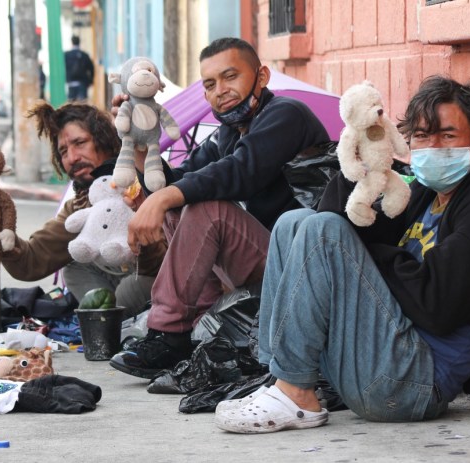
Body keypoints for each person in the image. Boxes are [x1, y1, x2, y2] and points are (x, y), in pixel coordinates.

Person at [213, 76, 470, 433]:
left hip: (412, 383)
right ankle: (281, 378)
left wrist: (361, 253)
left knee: (324, 234)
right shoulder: (426, 194)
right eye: (422, 136)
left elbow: (436, 307)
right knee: (294, 222)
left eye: (448, 135)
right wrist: (356, 173)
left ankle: (295, 391)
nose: (433, 146)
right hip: (384, 355)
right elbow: (337, 221)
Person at [108, 37, 330, 379]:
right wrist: (139, 140)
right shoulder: (227, 133)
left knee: (204, 207)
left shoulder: (286, 114)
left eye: (230, 77)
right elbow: (176, 181)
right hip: (259, 263)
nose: (220, 90)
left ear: (262, 76)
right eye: (210, 84)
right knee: (178, 205)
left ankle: (168, 334)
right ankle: (200, 320)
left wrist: (164, 197)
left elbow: (241, 171)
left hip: (296, 264)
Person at [0, 102, 166, 318]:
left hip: (157, 282)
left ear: (105, 141)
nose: (72, 158)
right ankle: (102, 325)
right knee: (75, 266)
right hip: (113, 290)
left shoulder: (145, 180)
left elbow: (164, 263)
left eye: (80, 143)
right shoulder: (78, 206)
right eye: (63, 151)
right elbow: (32, 261)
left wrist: (140, 222)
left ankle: (112, 325)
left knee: (128, 290)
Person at [64, 35, 94, 101]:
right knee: (83, 106)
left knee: (71, 106)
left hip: (71, 83)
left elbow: (62, 69)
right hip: (82, 83)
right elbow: (91, 68)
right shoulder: (85, 55)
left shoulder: (66, 55)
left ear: (71, 43)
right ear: (79, 42)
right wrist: (90, 81)